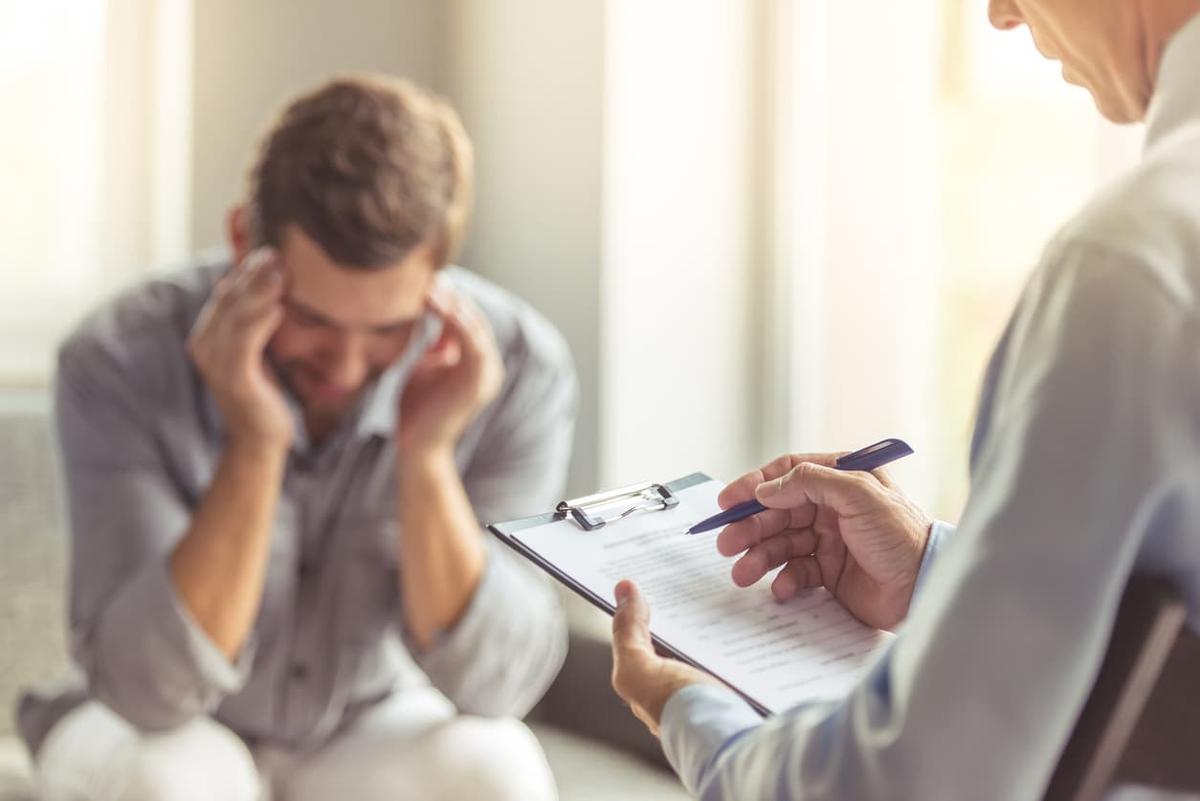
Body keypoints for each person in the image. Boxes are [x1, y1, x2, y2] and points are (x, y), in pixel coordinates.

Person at [610, 0, 1200, 798]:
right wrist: (936, 571)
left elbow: (915, 782)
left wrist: (691, 713)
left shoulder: (1134, 265)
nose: (999, 14)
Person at [17, 74, 576, 801]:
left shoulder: (518, 367)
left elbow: (499, 686)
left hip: (364, 721)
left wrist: (427, 457)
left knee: (498, 770)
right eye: (312, 319)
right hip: (141, 729)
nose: (345, 368)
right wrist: (254, 441)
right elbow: (148, 694)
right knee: (167, 783)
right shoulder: (118, 356)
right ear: (244, 242)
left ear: (438, 274)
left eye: (388, 328)